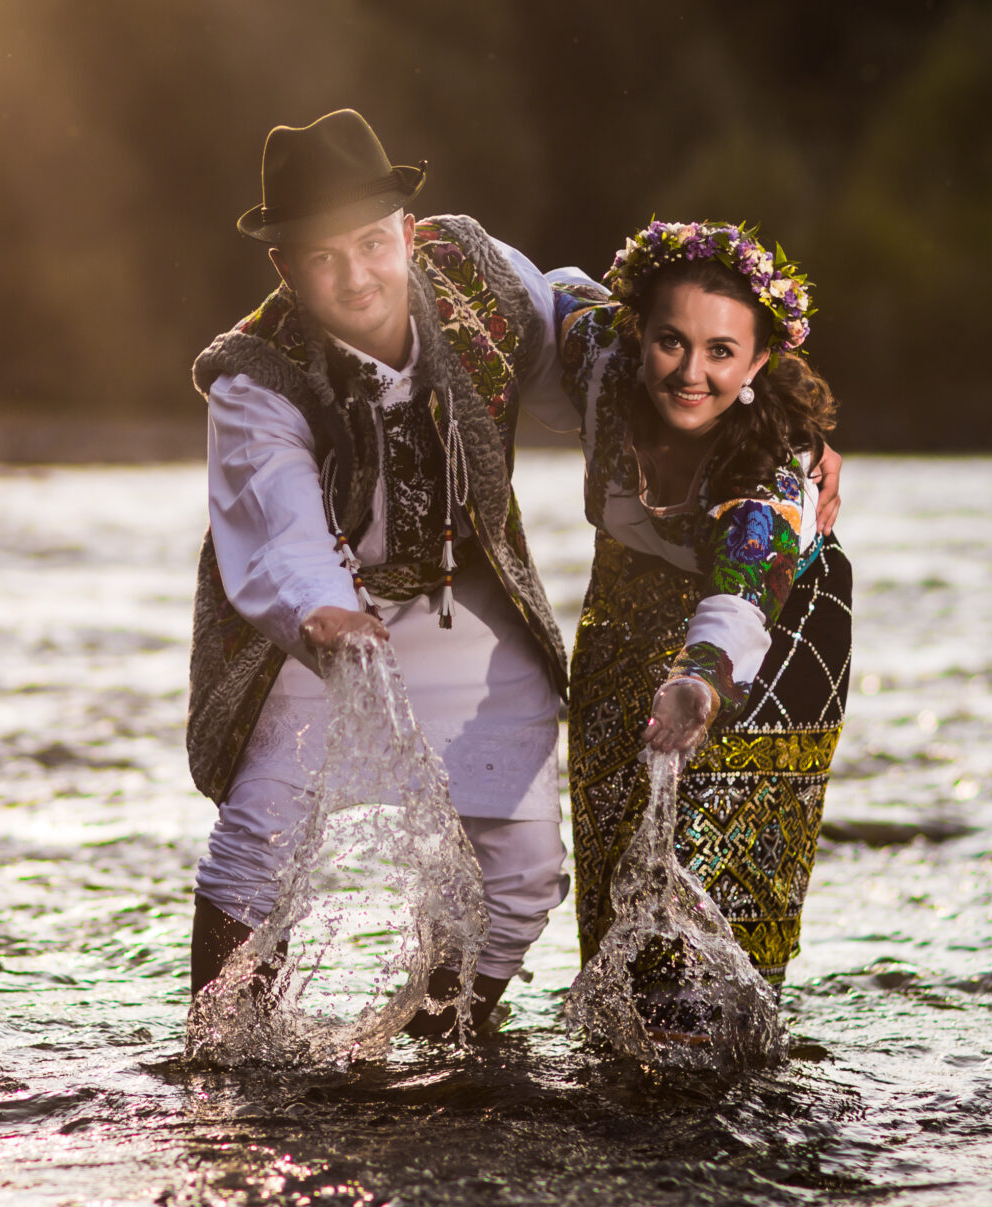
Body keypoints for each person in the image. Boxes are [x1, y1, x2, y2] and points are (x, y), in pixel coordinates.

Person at [186, 109, 578, 1039]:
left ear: (406, 230)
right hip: (318, 625)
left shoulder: (480, 275)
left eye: (371, 244)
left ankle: (437, 1045)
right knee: (256, 842)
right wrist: (324, 611)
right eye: (324, 257)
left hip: (461, 590)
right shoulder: (254, 374)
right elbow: (280, 522)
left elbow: (588, 344)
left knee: (526, 867)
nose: (357, 275)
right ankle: (224, 1055)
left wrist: (758, 420)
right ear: (286, 267)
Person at [554, 219, 853, 1015]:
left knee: (719, 863)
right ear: (637, 334)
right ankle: (617, 1039)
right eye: (671, 341)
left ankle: (722, 1045)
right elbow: (524, 284)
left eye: (721, 351)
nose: (691, 372)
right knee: (615, 836)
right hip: (626, 592)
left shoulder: (771, 474)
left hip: (780, 624)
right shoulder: (599, 358)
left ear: (757, 362)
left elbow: (740, 602)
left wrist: (700, 679)